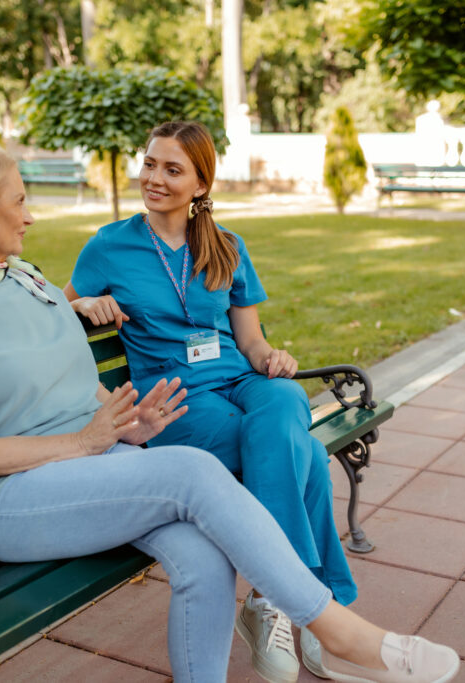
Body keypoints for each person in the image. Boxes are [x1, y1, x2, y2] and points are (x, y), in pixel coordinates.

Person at [0, 137, 460, 683]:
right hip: (8, 500)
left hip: (89, 467)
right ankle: (336, 628)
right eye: (19, 199)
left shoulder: (28, 282)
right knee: (197, 471)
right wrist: (83, 443)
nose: (30, 215)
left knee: (205, 556)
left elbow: (79, 382)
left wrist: (130, 422)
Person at [64, 121, 353, 680]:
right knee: (307, 455)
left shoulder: (227, 246)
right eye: (150, 164)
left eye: (173, 169)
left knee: (285, 400)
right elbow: (56, 308)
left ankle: (275, 596)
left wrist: (273, 358)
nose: (154, 178)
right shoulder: (109, 245)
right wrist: (81, 306)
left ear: (200, 184)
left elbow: (250, 341)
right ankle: (316, 604)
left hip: (240, 380)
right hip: (174, 398)